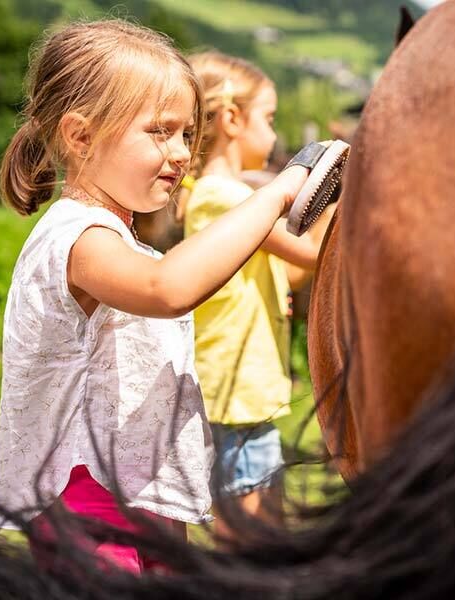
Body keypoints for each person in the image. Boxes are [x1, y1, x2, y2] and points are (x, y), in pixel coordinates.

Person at [0, 20, 317, 574]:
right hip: (87, 503)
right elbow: (169, 290)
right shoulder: (76, 237)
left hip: (146, 497)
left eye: (187, 134)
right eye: (160, 132)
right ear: (80, 136)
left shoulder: (120, 240)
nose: (181, 152)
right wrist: (279, 193)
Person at [176, 51, 334, 544]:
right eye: (267, 118)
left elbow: (286, 271)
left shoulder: (223, 196)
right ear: (231, 120)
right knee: (255, 547)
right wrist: (340, 180)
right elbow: (310, 250)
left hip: (241, 395)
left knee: (252, 542)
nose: (272, 133)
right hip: (238, 398)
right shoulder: (224, 198)